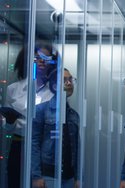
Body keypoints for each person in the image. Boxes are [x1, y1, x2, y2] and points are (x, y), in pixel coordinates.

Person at [0, 43, 57, 188]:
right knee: (15, 182)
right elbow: (7, 127)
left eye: (46, 58)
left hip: (43, 149)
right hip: (18, 146)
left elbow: (51, 126)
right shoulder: (14, 89)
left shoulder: (54, 92)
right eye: (37, 57)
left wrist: (21, 122)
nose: (41, 61)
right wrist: (12, 122)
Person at [31, 68, 80, 188]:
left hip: (69, 176)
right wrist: (36, 176)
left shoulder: (73, 114)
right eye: (64, 80)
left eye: (70, 79)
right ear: (53, 85)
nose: (69, 83)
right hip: (48, 176)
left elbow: (77, 148)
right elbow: (34, 143)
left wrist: (78, 177)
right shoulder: (41, 110)